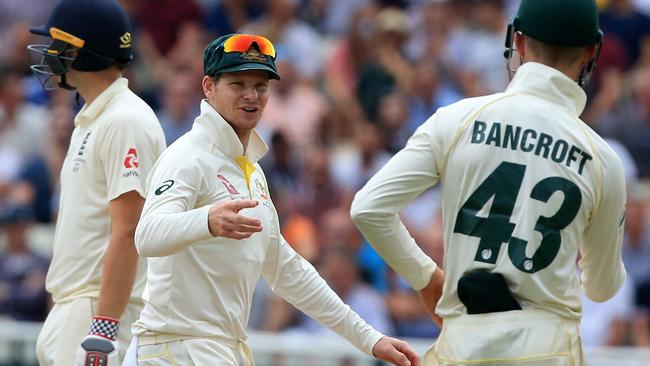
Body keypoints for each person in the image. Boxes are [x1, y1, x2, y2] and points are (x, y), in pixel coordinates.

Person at [350, 0, 627, 365]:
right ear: (591, 51)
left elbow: (368, 209)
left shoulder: (456, 119)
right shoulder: (603, 158)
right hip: (548, 348)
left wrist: (426, 276)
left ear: (519, 41)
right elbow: (603, 288)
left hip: (462, 342)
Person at [123, 33, 419, 366]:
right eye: (238, 84)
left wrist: (369, 338)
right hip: (174, 348)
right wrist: (207, 220)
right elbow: (146, 235)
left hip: (218, 349)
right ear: (208, 87)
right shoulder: (188, 156)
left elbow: (287, 270)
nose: (251, 96)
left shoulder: (251, 172)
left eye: (261, 86)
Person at [27, 0, 166, 365]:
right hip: (76, 307)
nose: (51, 53)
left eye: (58, 44)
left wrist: (103, 327)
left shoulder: (125, 120)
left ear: (81, 50)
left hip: (99, 312)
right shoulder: (94, 118)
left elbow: (128, 229)